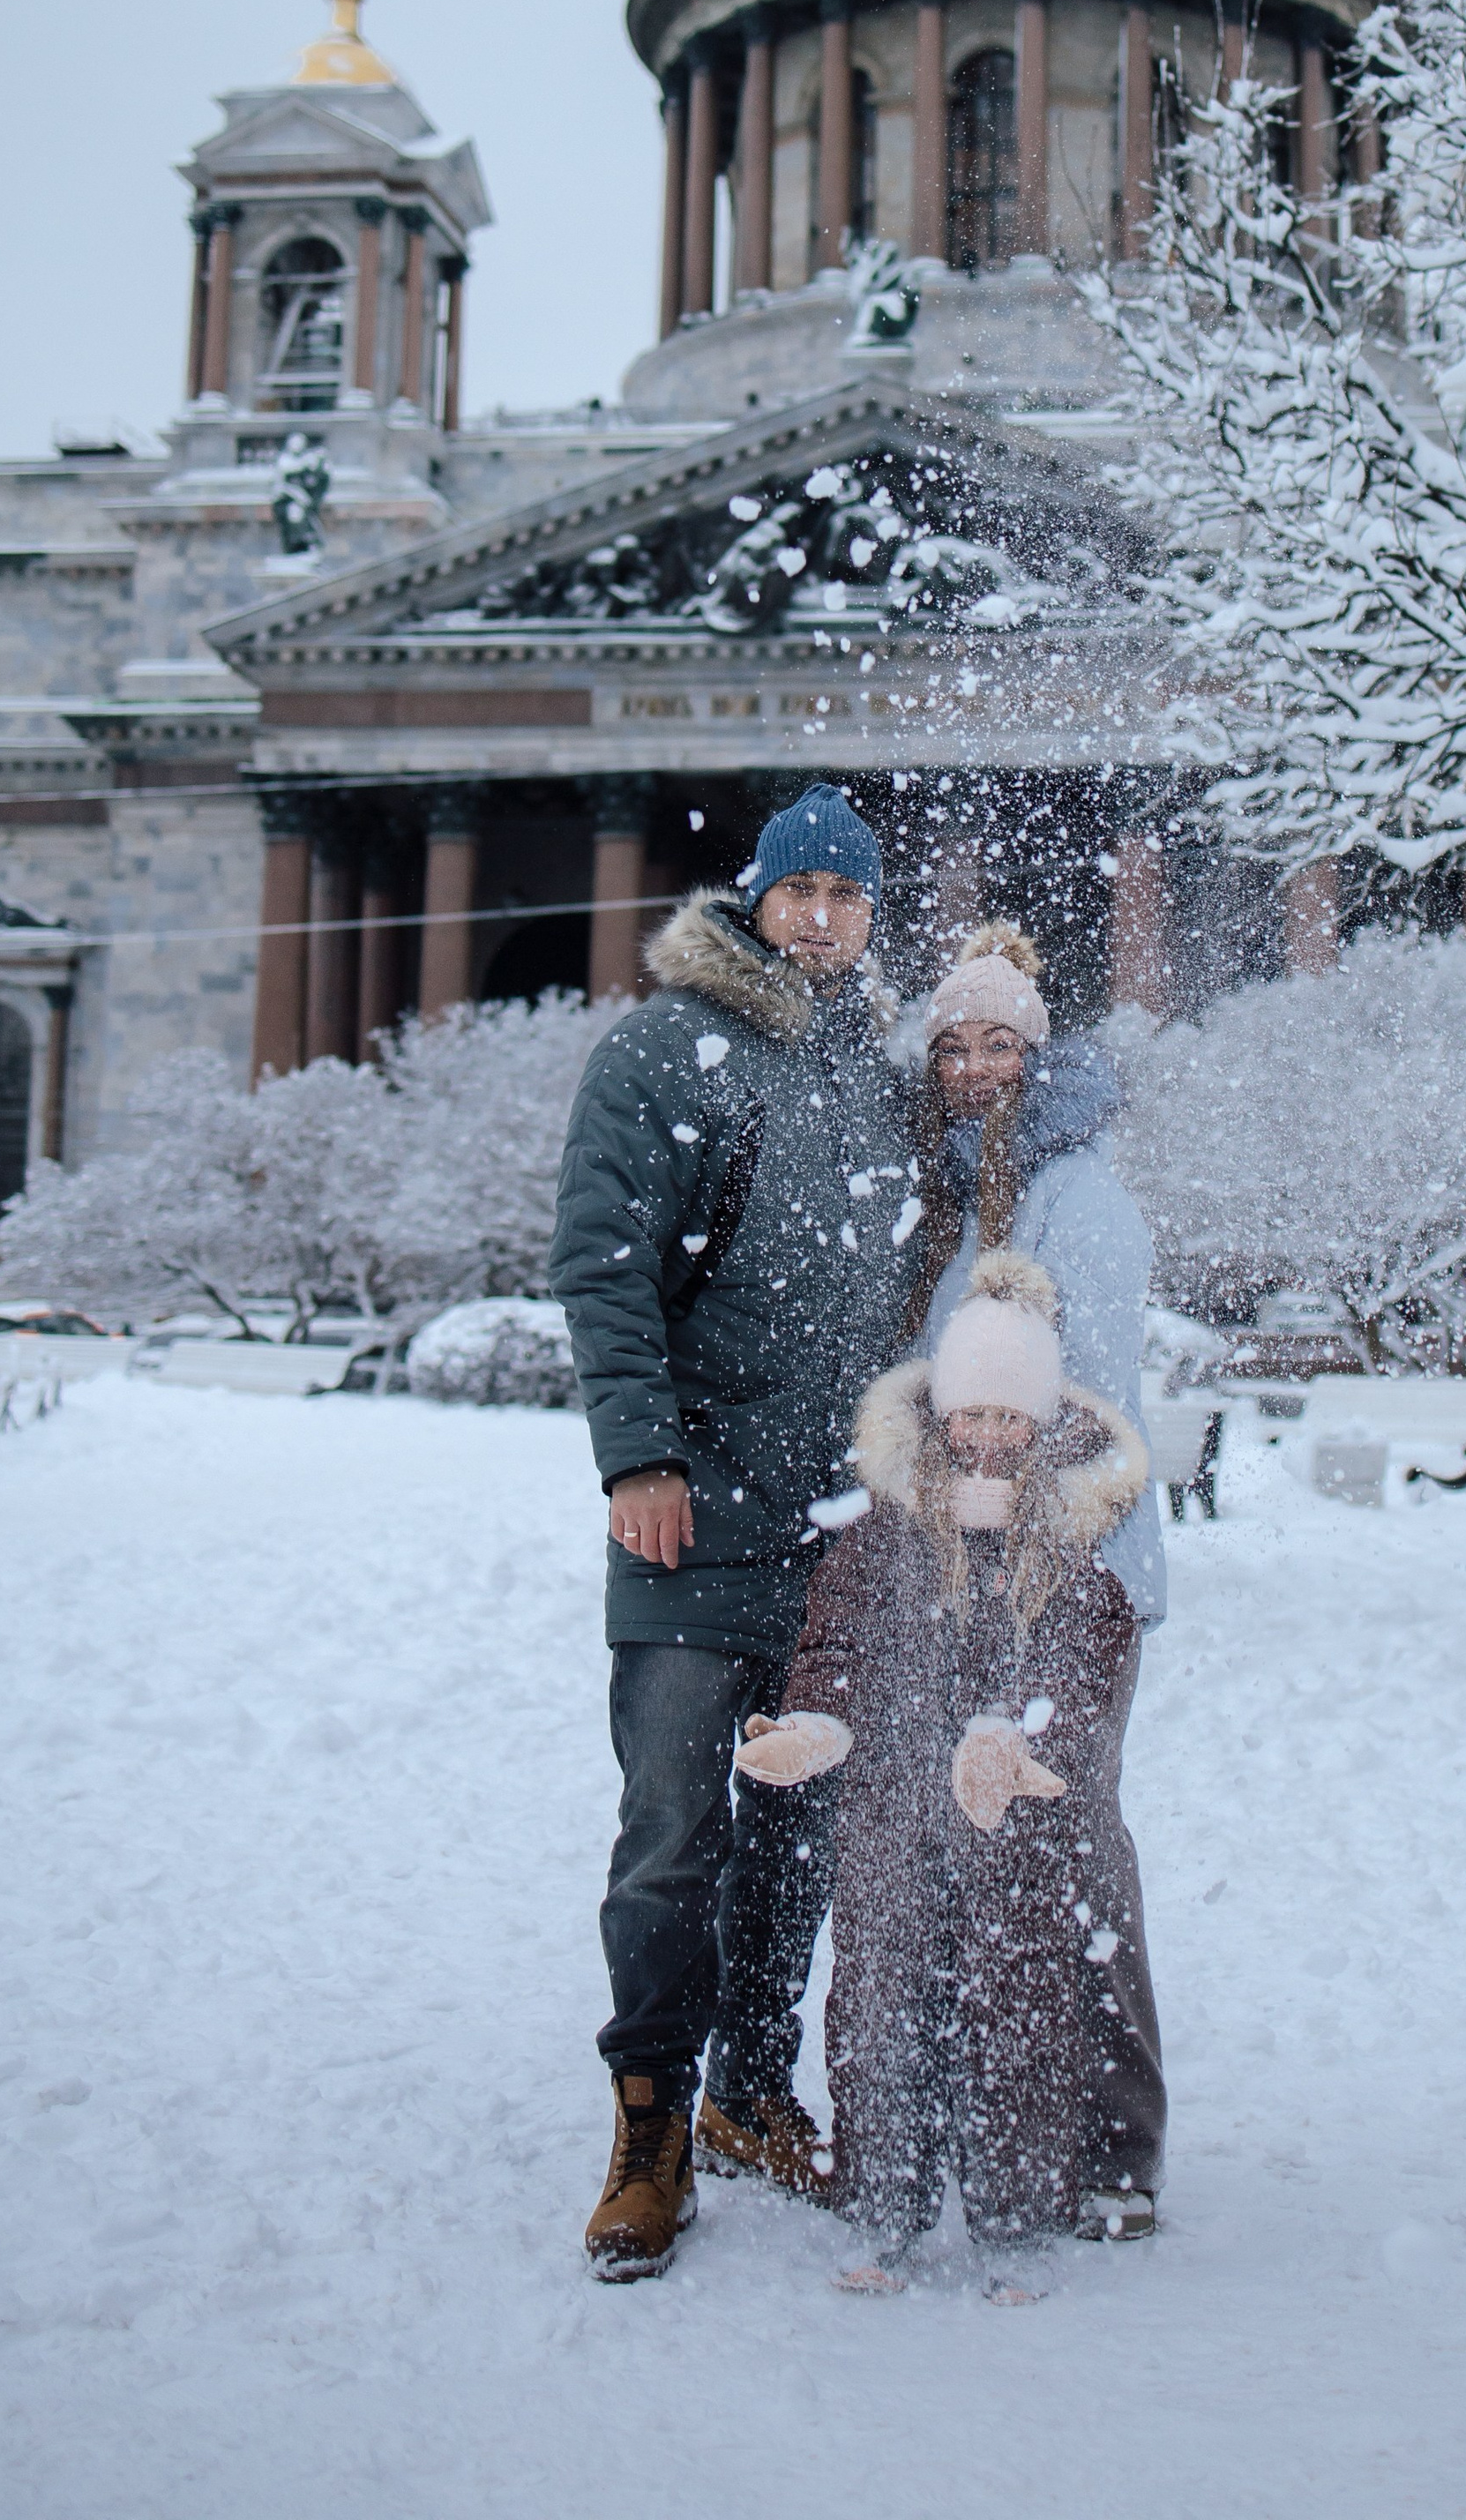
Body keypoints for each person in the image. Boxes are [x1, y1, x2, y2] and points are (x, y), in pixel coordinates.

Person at [549, 782, 913, 2283]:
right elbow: (601, 1260)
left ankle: (753, 2089)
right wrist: (639, 1456)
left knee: (797, 1833)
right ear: (755, 898)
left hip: (835, 1533)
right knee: (673, 1840)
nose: (823, 913)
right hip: (691, 1524)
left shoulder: (878, 1076)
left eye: (849, 893)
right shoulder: (659, 1050)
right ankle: (650, 2127)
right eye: (800, 889)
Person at [737, 1251, 1152, 2300]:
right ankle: (883, 2204)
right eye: (973, 1415)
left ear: (1045, 1425)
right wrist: (817, 1722)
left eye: (1013, 1420)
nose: (990, 1437)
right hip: (889, 1816)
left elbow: (1083, 1668)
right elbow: (834, 1643)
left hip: (1012, 1828)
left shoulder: (1069, 1549)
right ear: (938, 1415)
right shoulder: (881, 1538)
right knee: (879, 2002)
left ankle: (1017, 2220)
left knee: (1018, 2009)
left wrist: (1024, 1742)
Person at [907, 917, 1167, 2237]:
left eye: (999, 1042)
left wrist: (1024, 1548)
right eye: (952, 1042)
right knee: (984, 1839)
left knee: (1067, 1835)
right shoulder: (961, 1192)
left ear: (1038, 1056)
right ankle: (1006, 2122)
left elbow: (1093, 1415)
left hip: (1075, 1574)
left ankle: (1116, 2150)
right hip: (968, 1567)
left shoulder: (1081, 1203)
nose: (972, 1065)